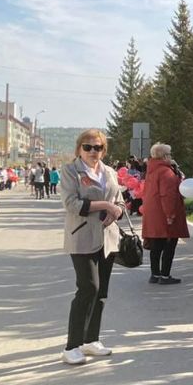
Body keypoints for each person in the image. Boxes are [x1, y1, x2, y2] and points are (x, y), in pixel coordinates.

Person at [59, 129, 124, 365]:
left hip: (108, 237)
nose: (93, 151)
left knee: (101, 292)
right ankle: (72, 346)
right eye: (87, 147)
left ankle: (91, 340)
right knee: (88, 288)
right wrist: (105, 205)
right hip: (82, 236)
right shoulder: (70, 171)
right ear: (79, 149)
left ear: (103, 150)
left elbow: (119, 200)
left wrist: (116, 209)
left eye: (98, 147)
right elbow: (71, 203)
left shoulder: (109, 172)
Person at [142, 142, 187, 285]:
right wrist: (170, 214)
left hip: (152, 213)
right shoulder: (166, 172)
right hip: (163, 214)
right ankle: (165, 275)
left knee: (156, 246)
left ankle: (155, 274)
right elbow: (168, 195)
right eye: (169, 154)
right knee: (169, 245)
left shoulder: (151, 170)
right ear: (165, 156)